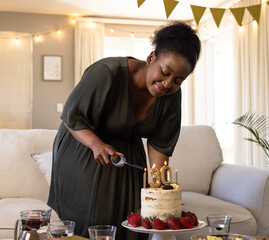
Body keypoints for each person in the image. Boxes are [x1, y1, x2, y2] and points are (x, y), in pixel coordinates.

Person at [47, 21, 201, 240]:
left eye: (178, 80)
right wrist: (96, 144)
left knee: (133, 222)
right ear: (151, 58)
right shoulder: (106, 72)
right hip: (85, 147)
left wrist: (159, 187)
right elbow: (73, 116)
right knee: (94, 218)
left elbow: (160, 143)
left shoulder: (172, 96)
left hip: (127, 155)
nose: (168, 84)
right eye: (165, 72)